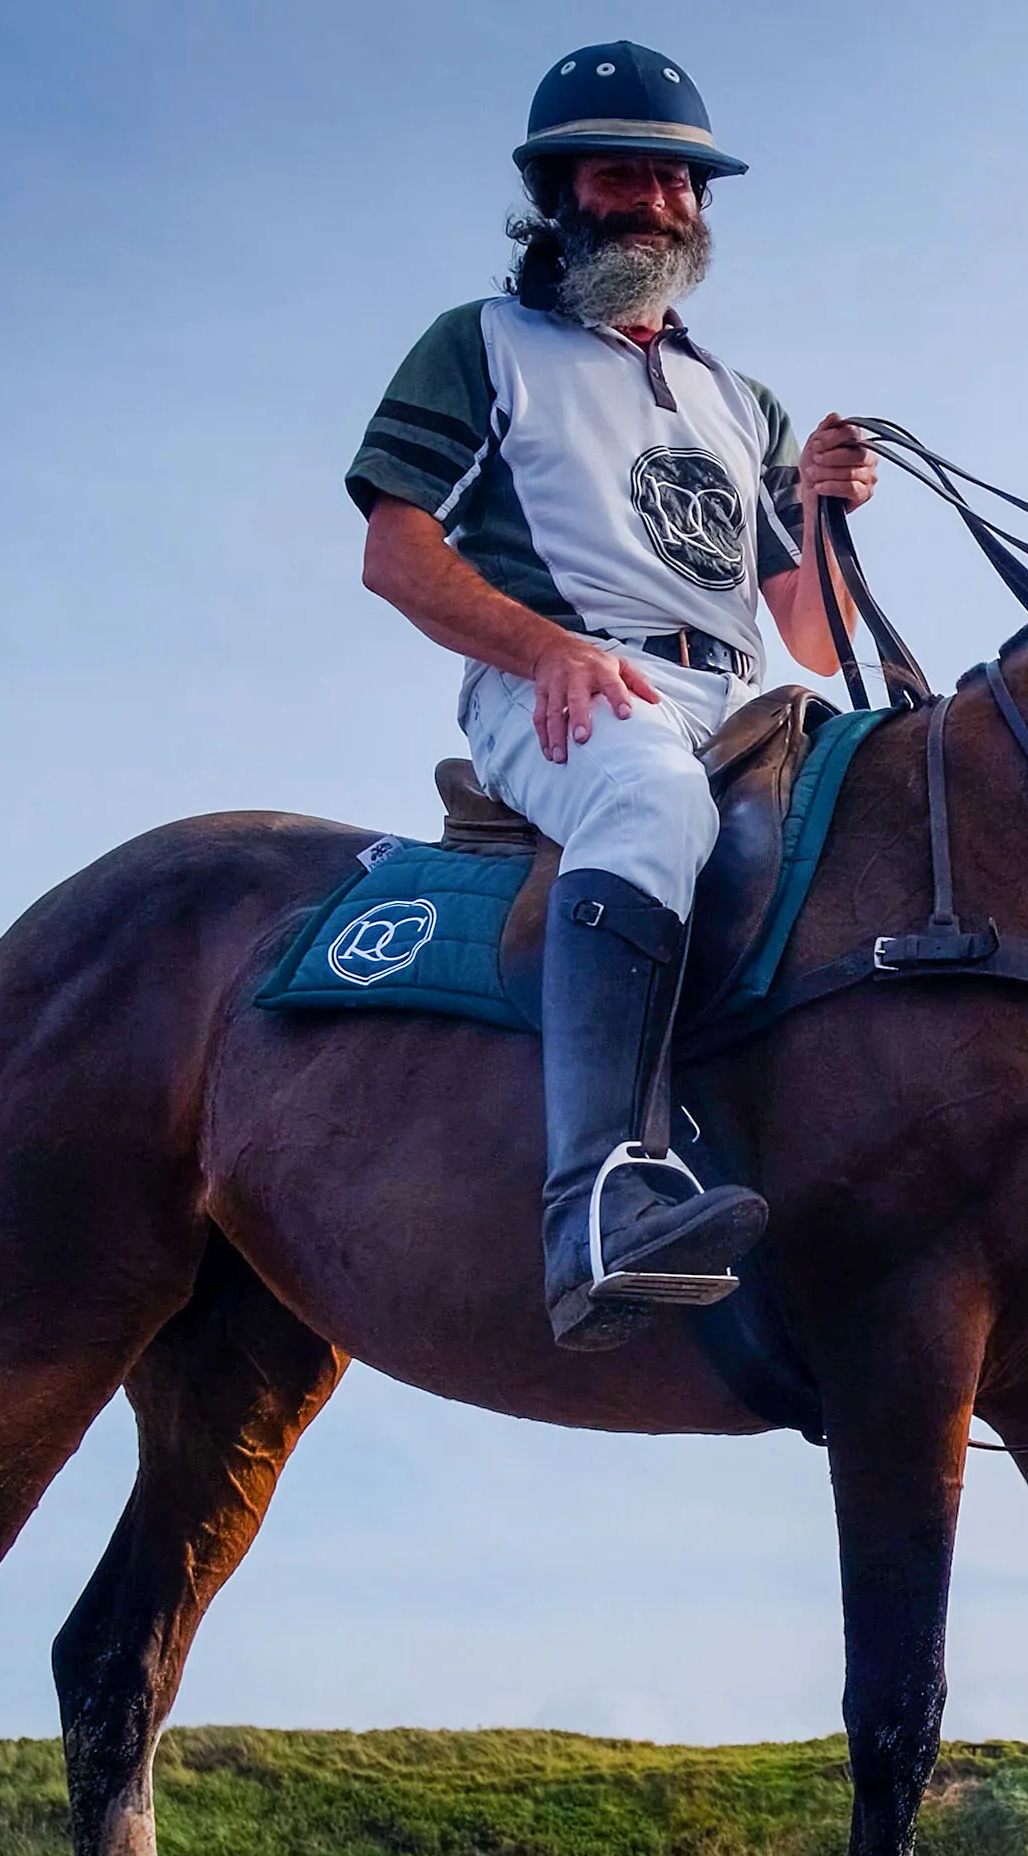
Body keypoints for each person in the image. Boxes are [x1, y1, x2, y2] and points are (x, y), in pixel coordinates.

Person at [345, 41, 877, 1349]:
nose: (659, 200)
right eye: (625, 173)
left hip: (734, 692)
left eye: (681, 181)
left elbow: (809, 629)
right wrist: (548, 650)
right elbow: (394, 551)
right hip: (562, 684)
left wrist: (819, 508)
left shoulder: (736, 398)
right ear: (560, 189)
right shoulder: (481, 344)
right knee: (645, 801)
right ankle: (597, 1200)